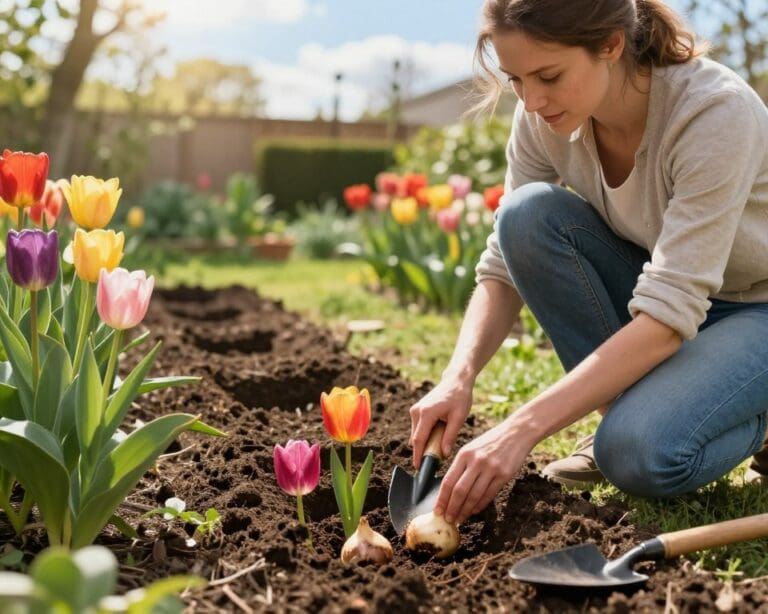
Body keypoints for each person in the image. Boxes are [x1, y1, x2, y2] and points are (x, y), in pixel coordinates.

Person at [408, 0, 768, 527]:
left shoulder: (712, 111)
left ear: (611, 45)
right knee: (524, 218)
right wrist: (456, 377)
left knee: (637, 454)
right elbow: (503, 263)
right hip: (671, 302)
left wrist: (521, 428)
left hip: (754, 305)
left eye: (548, 76)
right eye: (515, 80)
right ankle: (634, 414)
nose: (531, 101)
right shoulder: (544, 118)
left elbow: (669, 316)